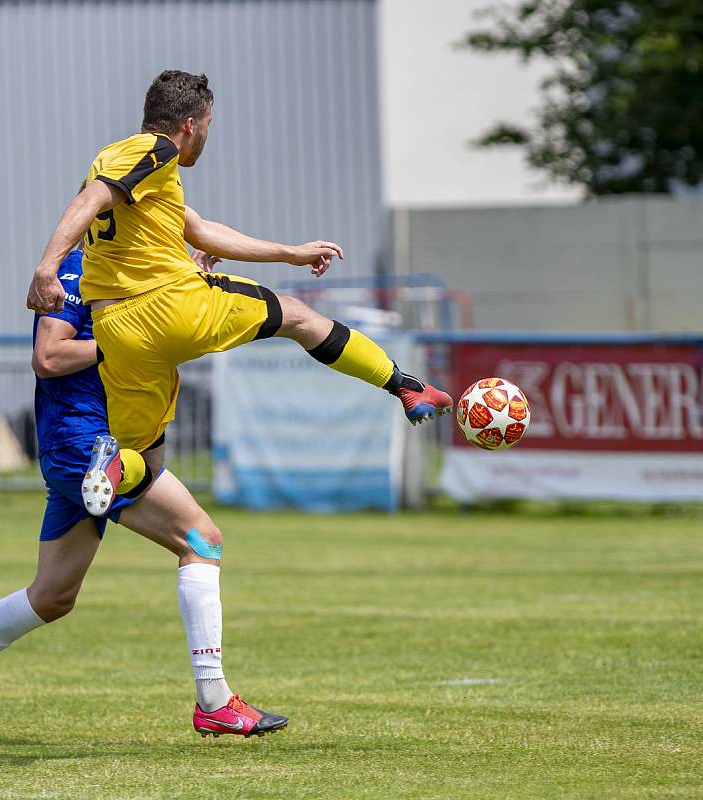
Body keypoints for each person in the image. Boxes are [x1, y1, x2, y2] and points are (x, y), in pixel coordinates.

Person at [0, 249, 287, 746]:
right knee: (201, 540)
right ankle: (214, 700)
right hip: (86, 447)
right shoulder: (74, 270)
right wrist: (127, 338)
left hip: (105, 446)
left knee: (52, 596)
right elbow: (49, 357)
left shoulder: (135, 267)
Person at [25, 70, 454, 500]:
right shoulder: (154, 150)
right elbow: (90, 199)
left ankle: (111, 467)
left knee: (147, 463)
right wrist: (48, 266)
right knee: (298, 316)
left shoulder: (126, 166)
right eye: (209, 124)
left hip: (116, 331)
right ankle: (404, 385)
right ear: (191, 124)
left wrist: (291, 252)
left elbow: (201, 230)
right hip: (169, 305)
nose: (208, 135)